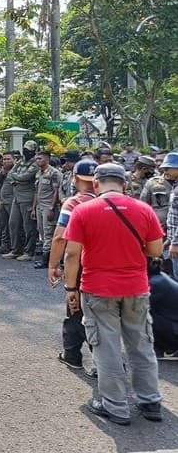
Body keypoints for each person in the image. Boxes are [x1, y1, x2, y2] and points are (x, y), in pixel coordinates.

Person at [63, 162, 164, 425]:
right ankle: (150, 400)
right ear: (125, 184)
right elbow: (155, 251)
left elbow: (72, 253)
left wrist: (70, 289)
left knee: (106, 347)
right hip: (136, 288)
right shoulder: (144, 210)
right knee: (141, 344)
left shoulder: (84, 211)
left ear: (96, 184)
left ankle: (116, 406)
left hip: (98, 288)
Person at [47, 159, 98, 374]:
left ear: (76, 178)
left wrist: (52, 265)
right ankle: (102, 360)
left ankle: (73, 355)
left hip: (79, 264)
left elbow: (60, 237)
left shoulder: (73, 203)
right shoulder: (108, 201)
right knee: (104, 316)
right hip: (105, 266)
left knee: (75, 307)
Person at [4, 141, 39, 261]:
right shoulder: (21, 161)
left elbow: (25, 177)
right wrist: (19, 180)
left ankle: (29, 251)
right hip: (17, 197)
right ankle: (15, 250)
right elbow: (10, 175)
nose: (26, 152)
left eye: (29, 150)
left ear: (34, 150)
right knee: (13, 223)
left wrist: (18, 179)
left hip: (28, 198)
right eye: (25, 149)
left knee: (28, 226)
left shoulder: (35, 163)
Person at [32, 151, 62, 269]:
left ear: (47, 159)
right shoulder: (39, 173)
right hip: (40, 206)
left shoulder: (54, 173)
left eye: (40, 158)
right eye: (37, 158)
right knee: (42, 233)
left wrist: (51, 208)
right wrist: (34, 208)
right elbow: (36, 192)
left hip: (48, 206)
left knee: (48, 232)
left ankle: (47, 260)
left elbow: (55, 192)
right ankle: (47, 258)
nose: (37, 160)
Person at [147, 259, 178, 360]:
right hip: (173, 325)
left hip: (174, 330)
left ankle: (158, 348)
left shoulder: (154, 283)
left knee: (140, 314)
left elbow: (133, 309)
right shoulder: (160, 277)